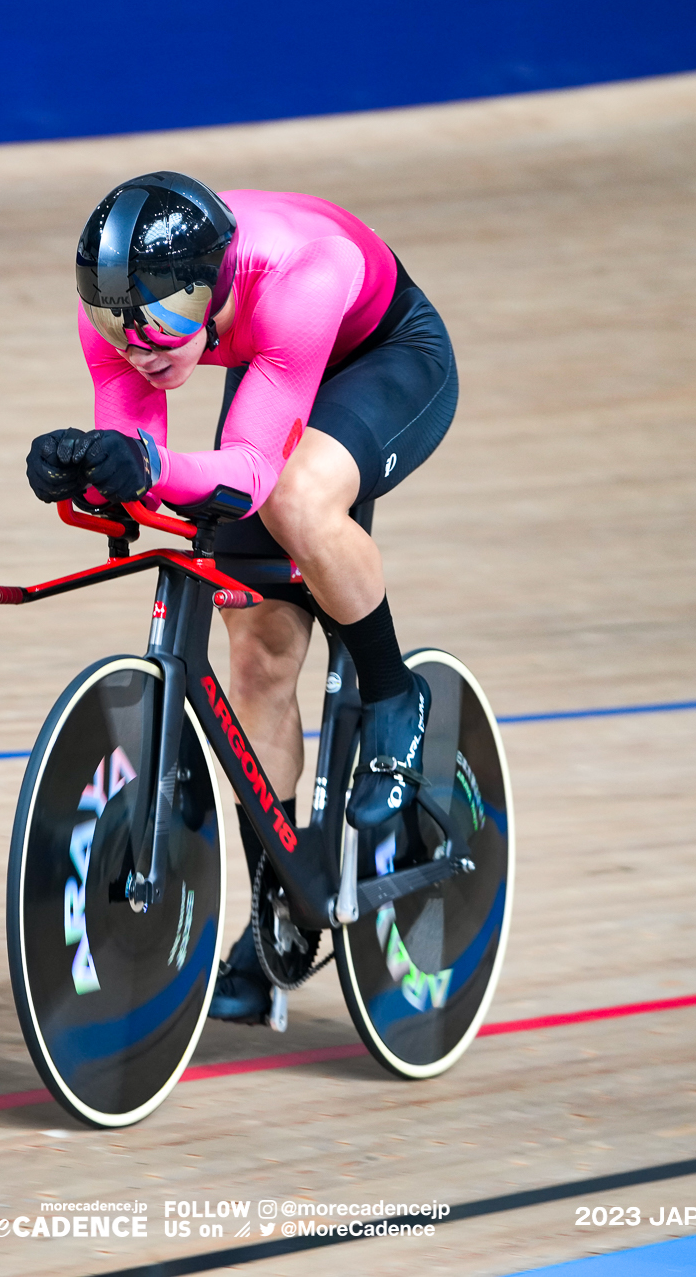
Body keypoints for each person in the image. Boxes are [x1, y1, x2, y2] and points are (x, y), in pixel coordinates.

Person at [25, 171, 458, 1024]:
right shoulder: (122, 309)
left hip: (380, 355)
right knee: (258, 657)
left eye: (169, 318)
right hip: (273, 364)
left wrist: (148, 468)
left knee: (296, 499)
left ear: (214, 283)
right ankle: (280, 909)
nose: (144, 344)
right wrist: (90, 467)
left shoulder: (300, 278)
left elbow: (250, 476)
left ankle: (392, 690)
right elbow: (140, 459)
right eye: (123, 323)